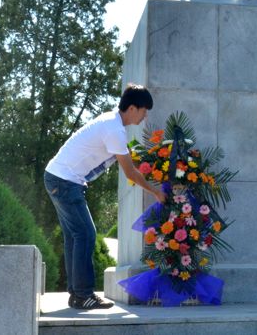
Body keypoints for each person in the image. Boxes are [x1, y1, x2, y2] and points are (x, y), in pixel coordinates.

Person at [44, 84, 166, 309]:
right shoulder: (114, 130)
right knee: (86, 234)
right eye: (143, 110)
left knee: (75, 236)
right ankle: (83, 294)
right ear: (132, 108)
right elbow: (129, 172)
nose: (145, 116)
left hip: (60, 178)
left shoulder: (111, 122)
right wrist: (156, 192)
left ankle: (77, 294)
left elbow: (127, 160)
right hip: (64, 181)